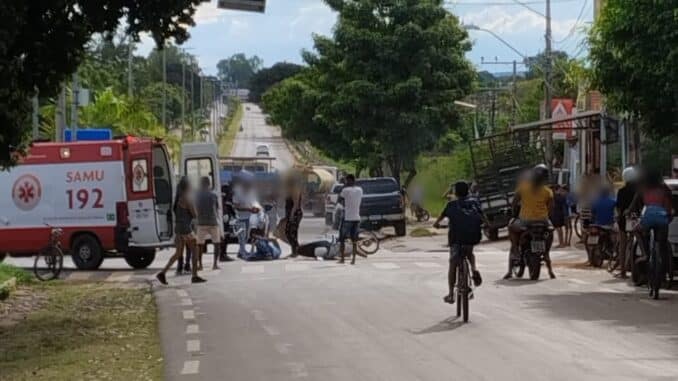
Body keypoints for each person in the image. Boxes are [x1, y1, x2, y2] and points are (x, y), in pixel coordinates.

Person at [434, 181, 484, 304]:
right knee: (470, 253)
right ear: (468, 191)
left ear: (455, 192)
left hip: (456, 239)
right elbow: (483, 216)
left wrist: (436, 225)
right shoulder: (474, 202)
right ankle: (473, 269)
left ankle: (451, 294)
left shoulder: (451, 205)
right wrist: (487, 225)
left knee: (453, 264)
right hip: (472, 237)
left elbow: (439, 220)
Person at [506, 164, 555, 280]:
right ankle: (547, 253)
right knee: (550, 232)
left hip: (525, 222)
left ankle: (515, 249)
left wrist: (514, 213)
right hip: (543, 222)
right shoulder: (548, 191)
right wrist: (546, 217)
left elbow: (514, 203)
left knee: (511, 226)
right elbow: (551, 208)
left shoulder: (523, 188)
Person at [157, 177, 206, 285]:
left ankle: (163, 273)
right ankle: (194, 275)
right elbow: (195, 214)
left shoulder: (178, 198)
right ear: (187, 186)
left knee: (178, 253)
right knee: (195, 249)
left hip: (179, 228)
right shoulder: (187, 198)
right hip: (186, 228)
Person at [629, 167, 673, 285]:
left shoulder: (643, 189)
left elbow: (633, 205)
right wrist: (669, 215)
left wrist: (629, 212)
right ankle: (663, 270)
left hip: (647, 218)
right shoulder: (664, 189)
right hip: (663, 218)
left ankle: (645, 254)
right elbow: (670, 203)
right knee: (662, 243)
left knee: (637, 230)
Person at [195, 176, 224, 270]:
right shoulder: (213, 195)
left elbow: (196, 208)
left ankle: (200, 265)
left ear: (201, 184)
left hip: (201, 222)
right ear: (209, 184)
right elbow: (217, 208)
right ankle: (215, 264)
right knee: (216, 243)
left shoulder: (197, 195)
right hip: (213, 221)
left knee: (200, 244)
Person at [616, 167, 639, 278]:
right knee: (638, 241)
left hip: (623, 219)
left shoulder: (621, 191)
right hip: (635, 218)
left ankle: (623, 271)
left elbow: (619, 208)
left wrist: (619, 216)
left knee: (623, 245)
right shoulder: (638, 191)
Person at [338, 174, 363, 265]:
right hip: (357, 218)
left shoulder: (345, 190)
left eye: (346, 181)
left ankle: (343, 259)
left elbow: (339, 200)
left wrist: (344, 185)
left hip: (348, 218)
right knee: (354, 240)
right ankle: (353, 260)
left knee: (342, 239)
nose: (345, 182)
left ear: (349, 181)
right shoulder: (360, 190)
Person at [233, 172, 259, 258]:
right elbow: (236, 206)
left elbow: (254, 202)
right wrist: (248, 209)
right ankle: (242, 252)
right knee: (241, 236)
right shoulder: (237, 191)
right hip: (239, 217)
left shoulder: (251, 191)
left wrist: (256, 208)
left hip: (249, 217)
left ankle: (241, 251)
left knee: (246, 236)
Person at [285, 174, 304, 257]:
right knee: (292, 232)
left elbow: (295, 204)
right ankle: (295, 250)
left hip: (295, 213)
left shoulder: (294, 190)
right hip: (294, 213)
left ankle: (296, 250)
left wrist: (291, 215)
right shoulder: (292, 189)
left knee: (289, 232)